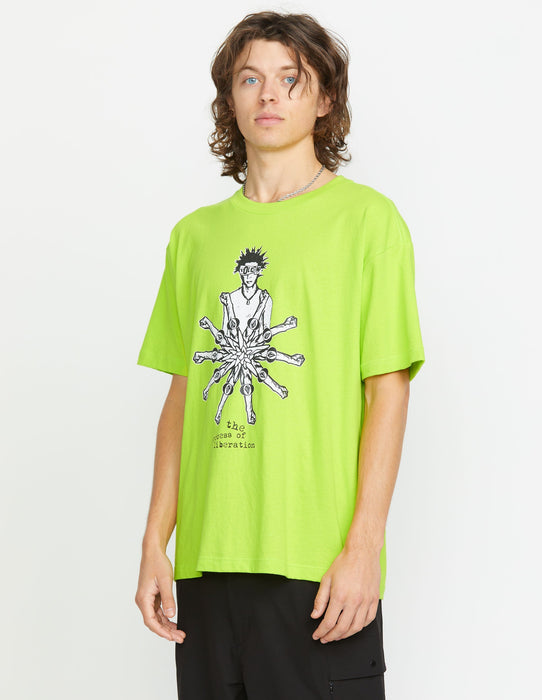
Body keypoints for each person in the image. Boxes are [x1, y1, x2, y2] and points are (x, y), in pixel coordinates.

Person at [135, 10, 425, 700]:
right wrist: (154, 543)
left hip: (317, 569)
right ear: (229, 99)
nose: (268, 94)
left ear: (325, 99)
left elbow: (388, 389)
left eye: (291, 79)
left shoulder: (368, 222)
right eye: (250, 78)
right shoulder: (193, 237)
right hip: (206, 567)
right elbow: (184, 395)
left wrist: (363, 549)